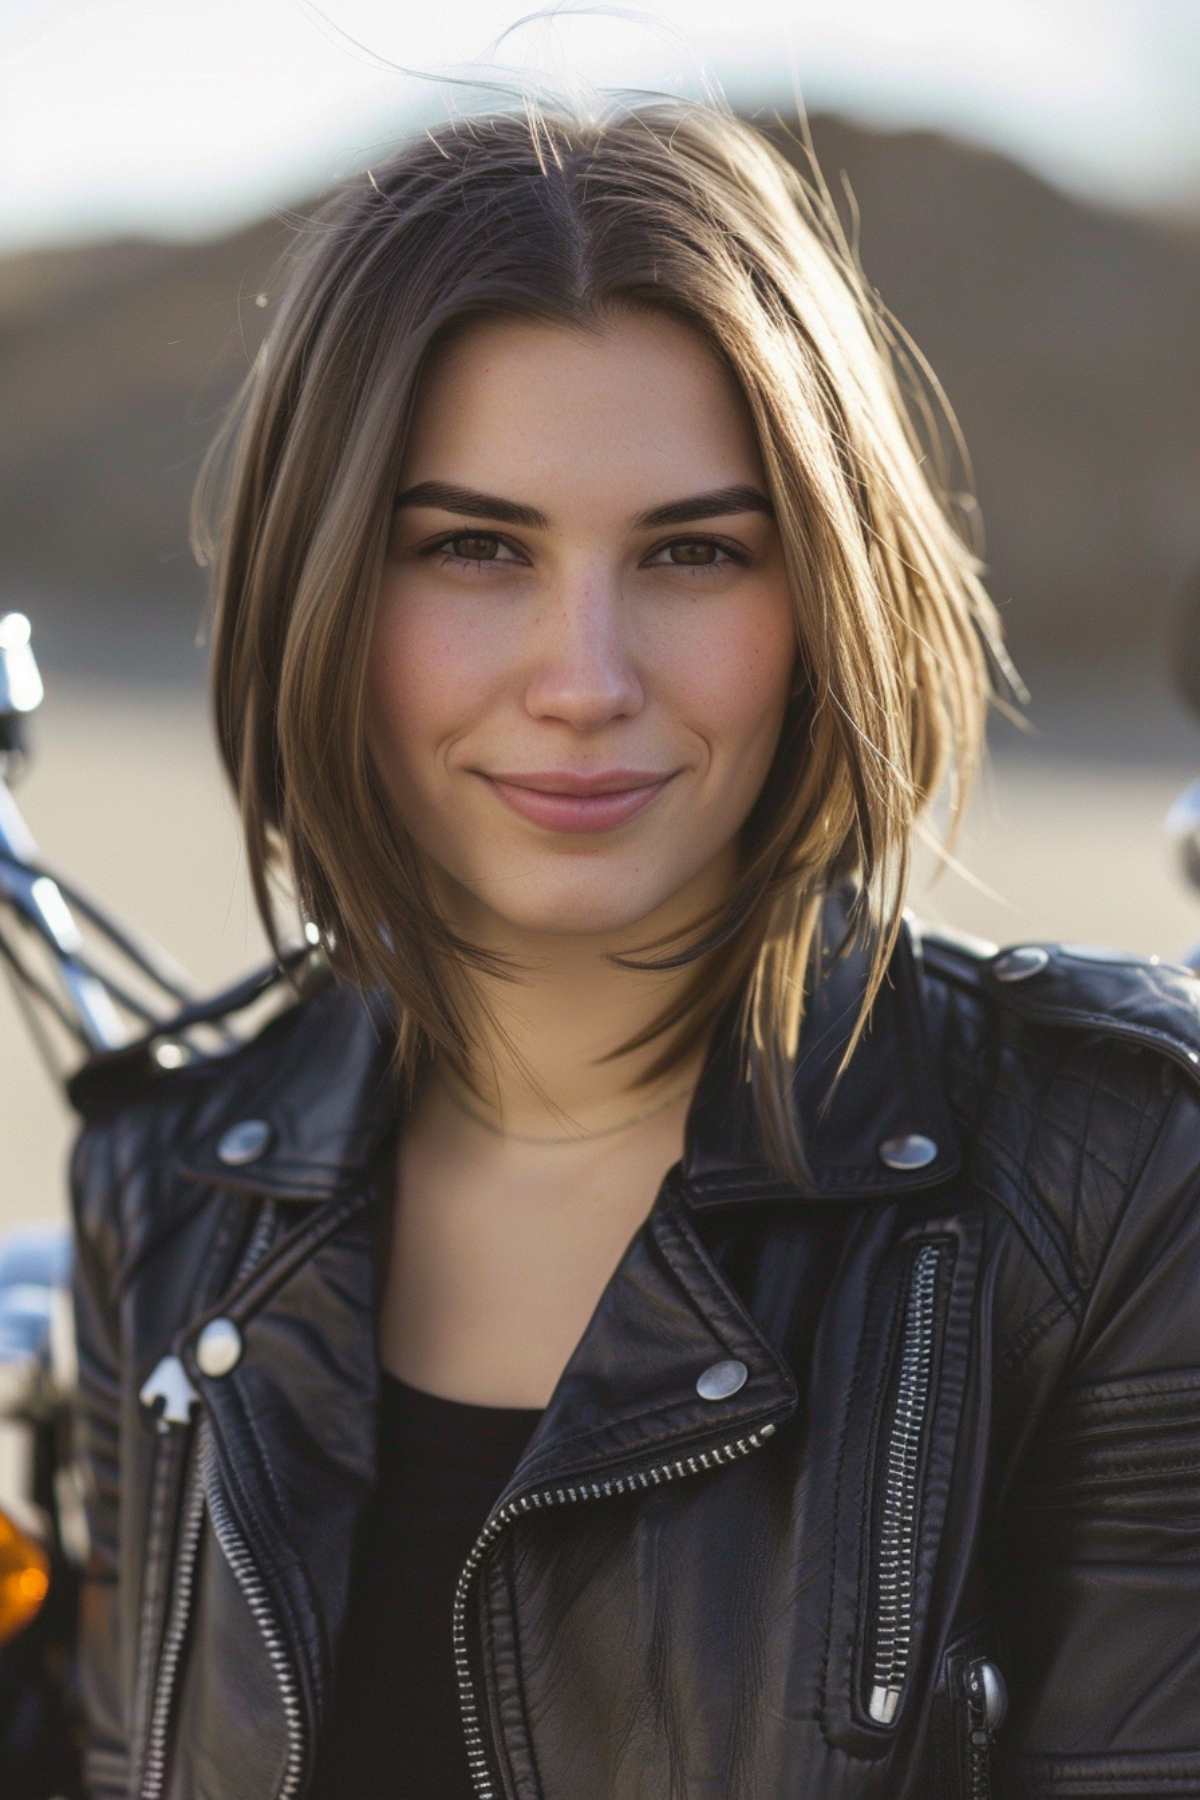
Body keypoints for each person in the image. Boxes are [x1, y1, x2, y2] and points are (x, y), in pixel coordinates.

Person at [65, 79, 1200, 1800]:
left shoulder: (1113, 1181)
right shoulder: (168, 1195)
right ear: (319, 588)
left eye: (692, 552)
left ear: (826, 592)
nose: (586, 679)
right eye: (469, 547)